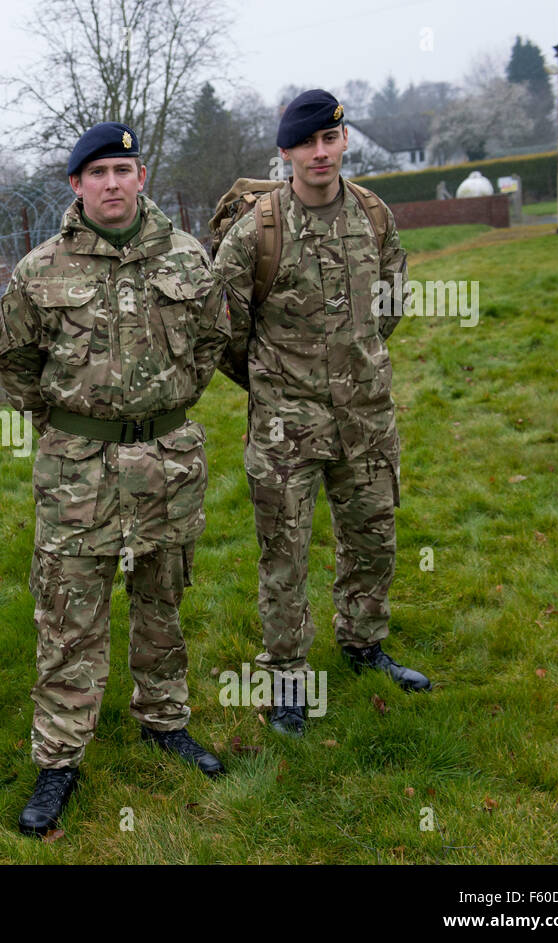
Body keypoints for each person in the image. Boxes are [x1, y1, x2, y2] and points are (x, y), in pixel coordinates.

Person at [0, 122, 230, 837]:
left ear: (143, 175)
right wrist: (73, 425)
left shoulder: (190, 259)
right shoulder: (41, 270)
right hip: (79, 472)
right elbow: (15, 363)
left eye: (123, 168)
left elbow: (215, 340)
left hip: (168, 461)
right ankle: (60, 759)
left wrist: (165, 404)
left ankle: (164, 720)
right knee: (69, 617)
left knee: (163, 599)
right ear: (76, 185)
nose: (112, 182)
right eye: (97, 172)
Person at [212, 89, 431, 739]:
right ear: (285, 152)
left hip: (365, 416)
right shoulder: (259, 229)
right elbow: (222, 329)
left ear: (343, 142)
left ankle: (364, 643)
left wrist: (358, 359)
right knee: (285, 555)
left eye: (330, 139)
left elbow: (392, 296)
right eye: (306, 143)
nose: (320, 152)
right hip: (287, 427)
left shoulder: (372, 212)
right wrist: (276, 385)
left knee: (374, 538)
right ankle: (285, 677)